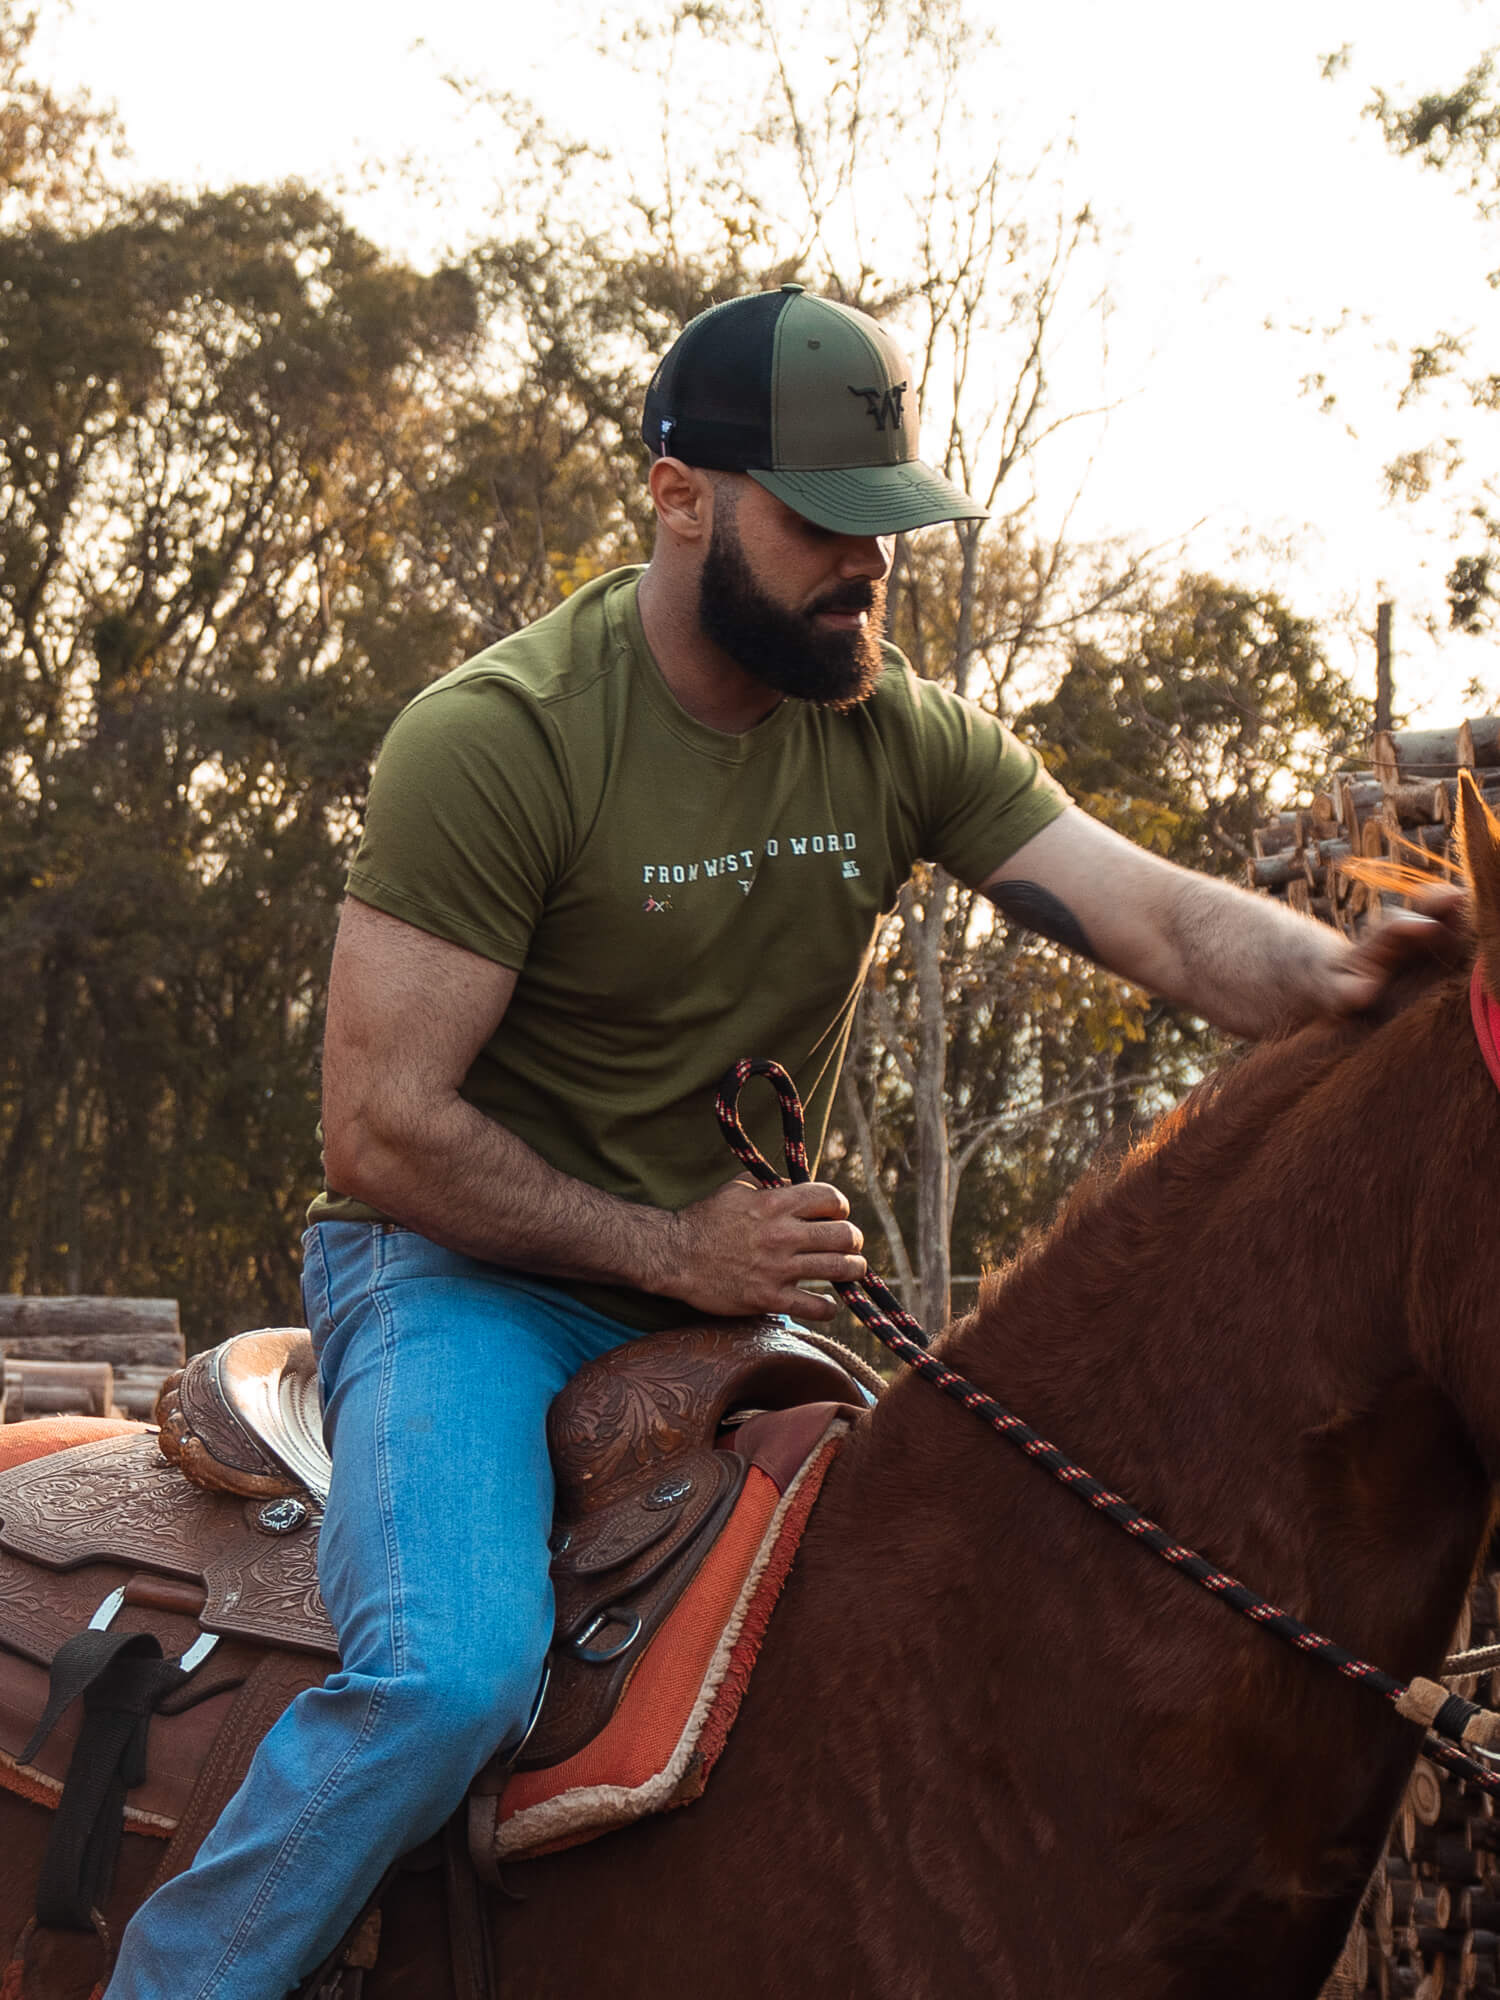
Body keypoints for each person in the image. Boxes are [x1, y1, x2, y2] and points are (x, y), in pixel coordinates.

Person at [105, 285, 1453, 1999]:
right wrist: (677, 1248)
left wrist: (1375, 988)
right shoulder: (501, 741)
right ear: (680, 496)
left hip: (719, 1294)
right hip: (455, 1277)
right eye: (823, 522)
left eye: (885, 523)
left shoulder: (893, 732)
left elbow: (1163, 922)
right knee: (450, 1674)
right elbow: (381, 1134)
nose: (866, 563)